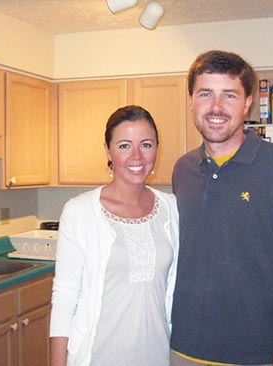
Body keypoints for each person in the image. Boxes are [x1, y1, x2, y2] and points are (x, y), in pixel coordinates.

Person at [170, 50, 273, 366]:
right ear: (190, 101)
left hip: (257, 354)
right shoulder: (182, 169)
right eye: (205, 94)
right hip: (182, 347)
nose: (216, 107)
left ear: (247, 103)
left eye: (229, 95)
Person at [50, 105, 179, 366]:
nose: (137, 156)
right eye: (124, 146)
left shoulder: (172, 209)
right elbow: (64, 298)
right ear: (108, 150)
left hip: (158, 355)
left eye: (146, 144)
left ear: (157, 148)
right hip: (98, 356)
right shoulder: (80, 211)